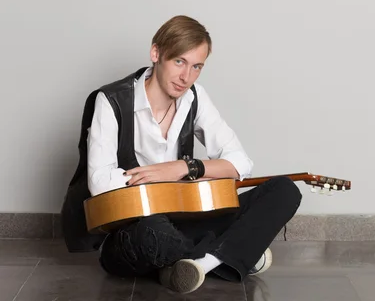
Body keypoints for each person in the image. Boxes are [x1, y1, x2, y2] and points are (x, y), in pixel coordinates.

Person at [60, 15, 302, 294]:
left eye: (197, 66)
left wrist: (185, 168)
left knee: (284, 190)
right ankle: (233, 253)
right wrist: (160, 180)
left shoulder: (194, 97)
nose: (186, 76)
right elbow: (100, 181)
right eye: (179, 62)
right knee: (155, 236)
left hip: (187, 219)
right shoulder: (111, 100)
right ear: (156, 53)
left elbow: (240, 163)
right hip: (135, 227)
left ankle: (199, 264)